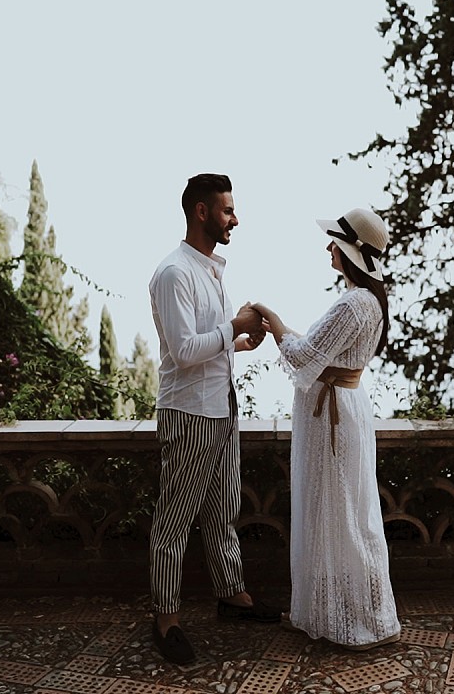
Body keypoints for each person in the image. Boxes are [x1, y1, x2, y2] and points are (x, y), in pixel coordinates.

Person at [249, 207, 402, 651]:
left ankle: (347, 618)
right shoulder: (370, 299)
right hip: (344, 408)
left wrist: (266, 312)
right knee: (347, 510)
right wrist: (282, 329)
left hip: (330, 416)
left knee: (335, 511)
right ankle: (332, 610)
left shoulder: (354, 303)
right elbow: (318, 350)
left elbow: (301, 357)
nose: (328, 248)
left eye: (335, 242)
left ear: (351, 252)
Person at [147, 173, 282, 665]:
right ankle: (165, 618)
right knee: (175, 519)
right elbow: (183, 352)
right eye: (227, 210)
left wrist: (242, 341)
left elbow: (208, 343)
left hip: (221, 408)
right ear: (201, 212)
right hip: (188, 412)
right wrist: (233, 327)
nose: (235, 218)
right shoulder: (173, 273)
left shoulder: (209, 270)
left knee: (223, 509)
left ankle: (232, 595)